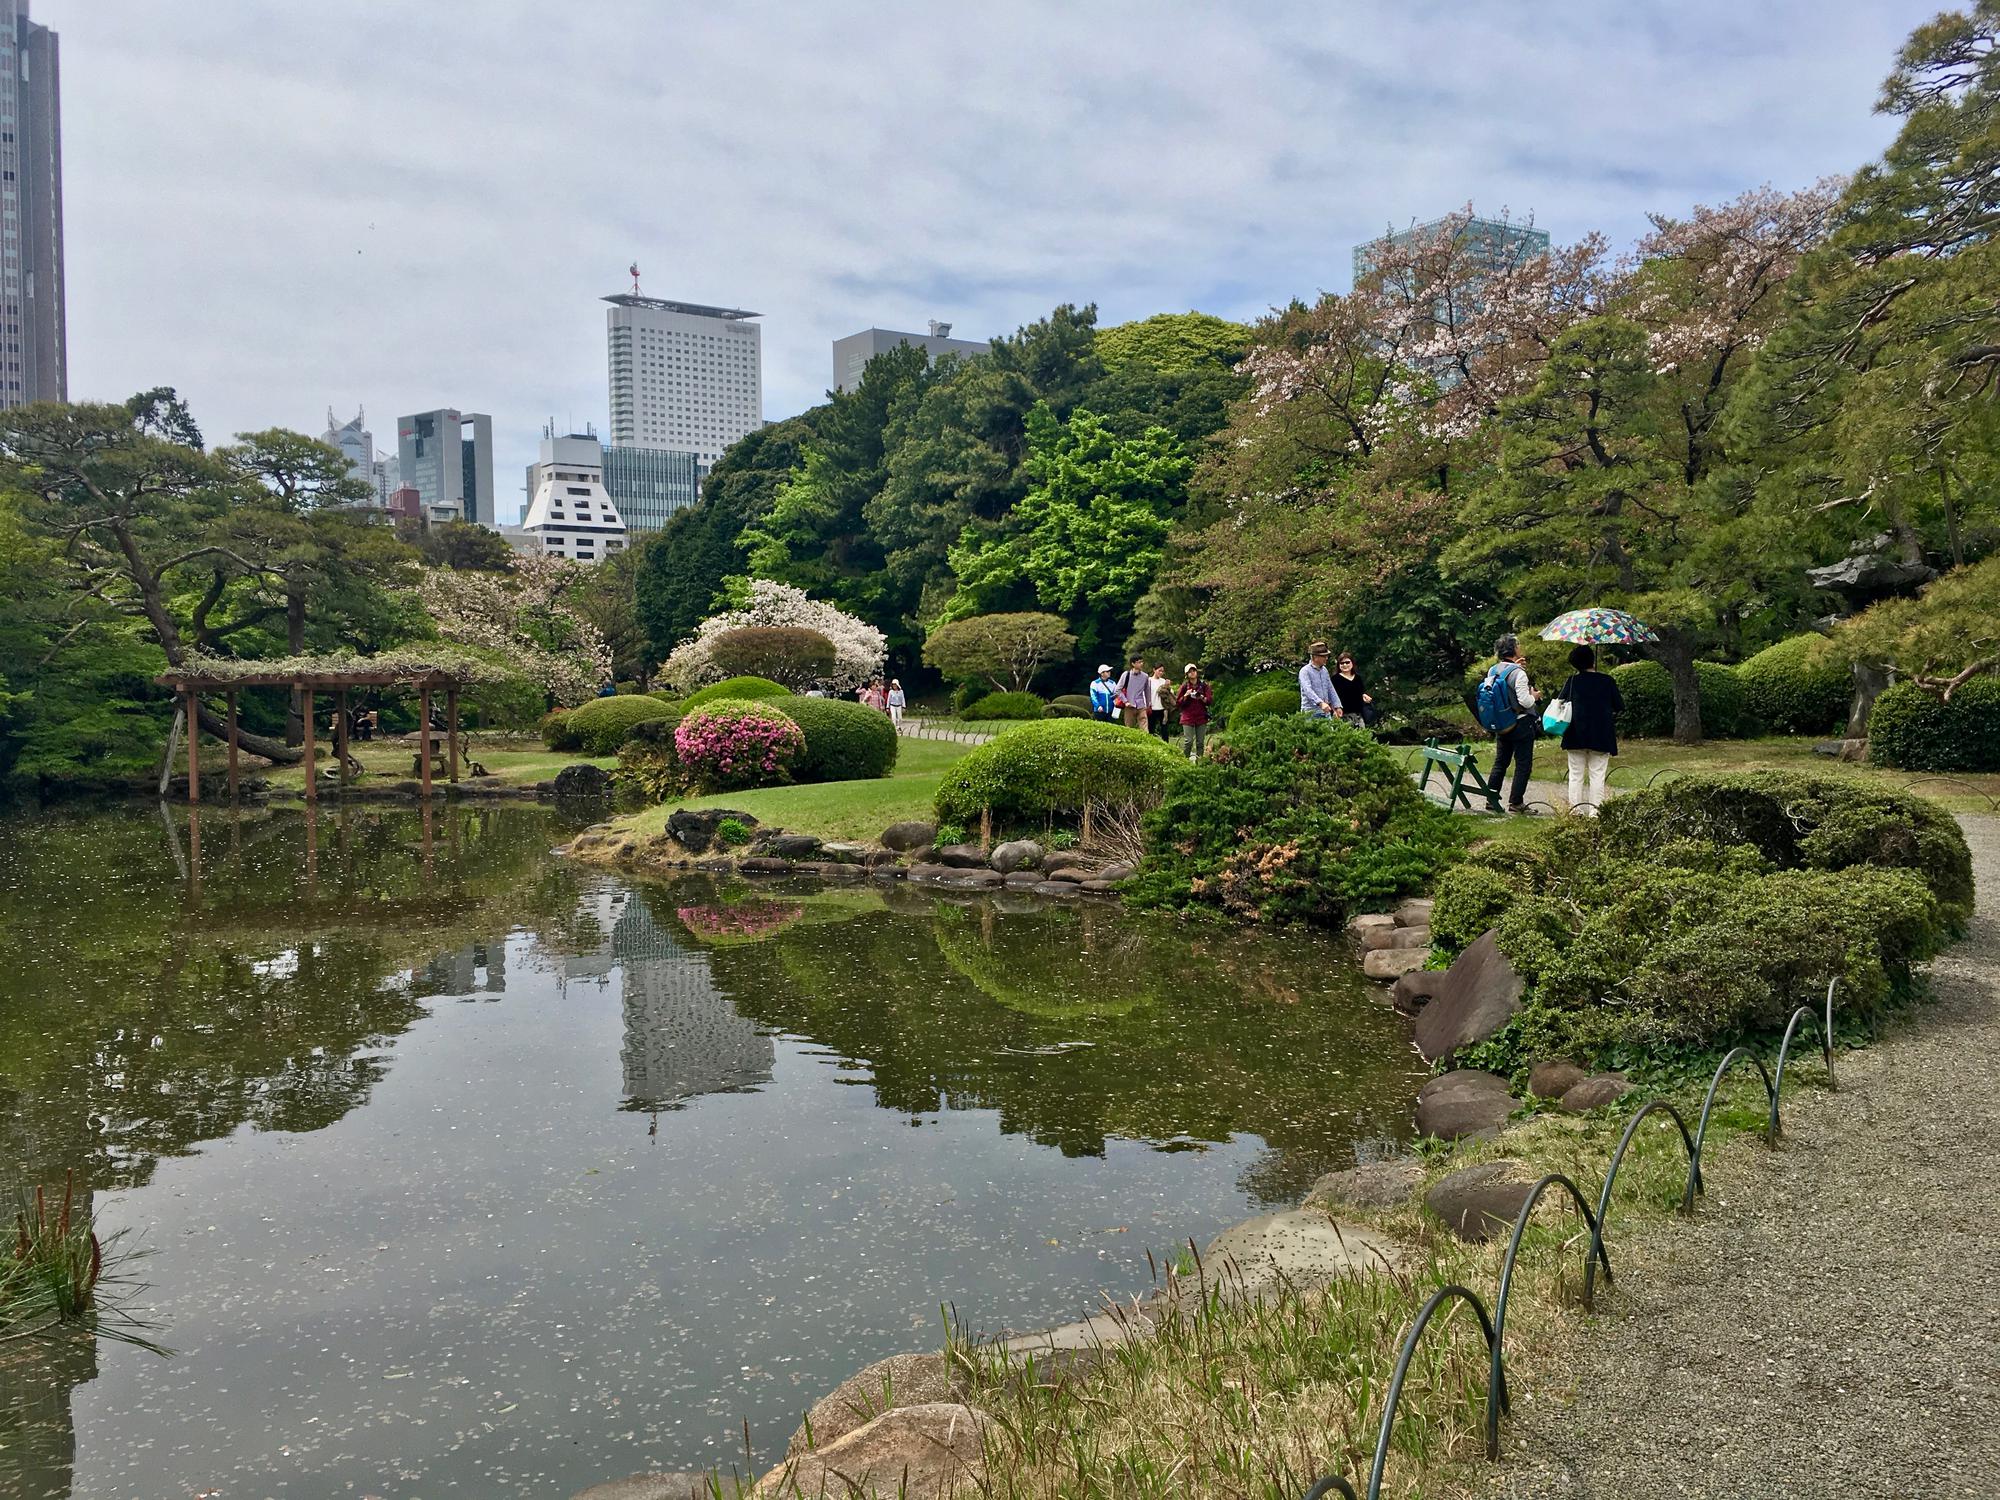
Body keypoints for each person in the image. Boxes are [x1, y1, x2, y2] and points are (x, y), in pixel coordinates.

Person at [1556, 644, 1622, 817]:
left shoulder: (1572, 682)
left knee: (1576, 775)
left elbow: (1560, 702)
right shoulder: (1607, 681)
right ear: (1592, 660)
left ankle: (1575, 811)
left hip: (1575, 733)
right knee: (1597, 774)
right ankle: (1595, 811)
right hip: (1601, 734)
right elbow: (1619, 705)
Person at [1478, 634, 1539, 813]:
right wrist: (1534, 696)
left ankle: (1491, 798)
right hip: (1521, 724)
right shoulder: (1519, 673)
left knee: (1501, 761)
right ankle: (1516, 802)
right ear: (1513, 649)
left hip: (1502, 724)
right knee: (1523, 764)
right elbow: (1525, 702)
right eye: (1518, 645)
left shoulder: (1492, 670)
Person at [1176, 664, 1213, 761]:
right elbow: (1178, 703)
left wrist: (1201, 697)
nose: (1192, 673)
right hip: (1188, 717)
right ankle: (1184, 760)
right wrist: (1186, 695)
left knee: (1200, 742)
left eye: (1194, 671)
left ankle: (1199, 762)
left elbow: (1209, 701)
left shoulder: (1204, 686)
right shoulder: (1184, 687)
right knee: (1189, 741)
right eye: (1190, 671)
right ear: (1187, 674)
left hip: (1201, 716)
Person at [1332, 650, 1377, 727]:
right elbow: (1332, 696)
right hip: (1343, 715)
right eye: (1342, 663)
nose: (1345, 665)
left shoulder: (1358, 678)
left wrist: (1364, 696)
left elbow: (1361, 692)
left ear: (1352, 663)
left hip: (1358, 715)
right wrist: (1334, 710)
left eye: (1347, 662)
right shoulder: (1335, 679)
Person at [1298, 642, 1340, 718]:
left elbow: (1330, 688)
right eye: (1323, 656)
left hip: (1325, 712)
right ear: (1315, 657)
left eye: (1327, 656)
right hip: (1310, 713)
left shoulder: (1324, 670)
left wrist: (1337, 706)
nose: (1326, 658)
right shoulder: (1305, 671)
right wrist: (1320, 703)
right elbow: (1308, 690)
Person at [1115, 656, 1151, 731]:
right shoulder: (1126, 674)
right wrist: (1125, 701)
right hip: (1129, 706)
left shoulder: (1145, 676)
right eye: (1139, 662)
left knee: (1145, 728)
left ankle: (1145, 742)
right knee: (1129, 728)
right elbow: (1117, 690)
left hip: (1141, 706)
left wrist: (1148, 704)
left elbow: (1147, 691)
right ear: (1133, 664)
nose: (1142, 664)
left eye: (1142, 662)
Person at [1148, 665, 1172, 739]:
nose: (1161, 672)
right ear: (1154, 670)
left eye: (1162, 671)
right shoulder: (1149, 680)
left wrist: (1168, 686)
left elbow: (1170, 694)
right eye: (1159, 670)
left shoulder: (1164, 681)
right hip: (1152, 708)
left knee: (1164, 729)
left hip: (1163, 708)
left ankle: (1166, 745)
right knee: (1150, 729)